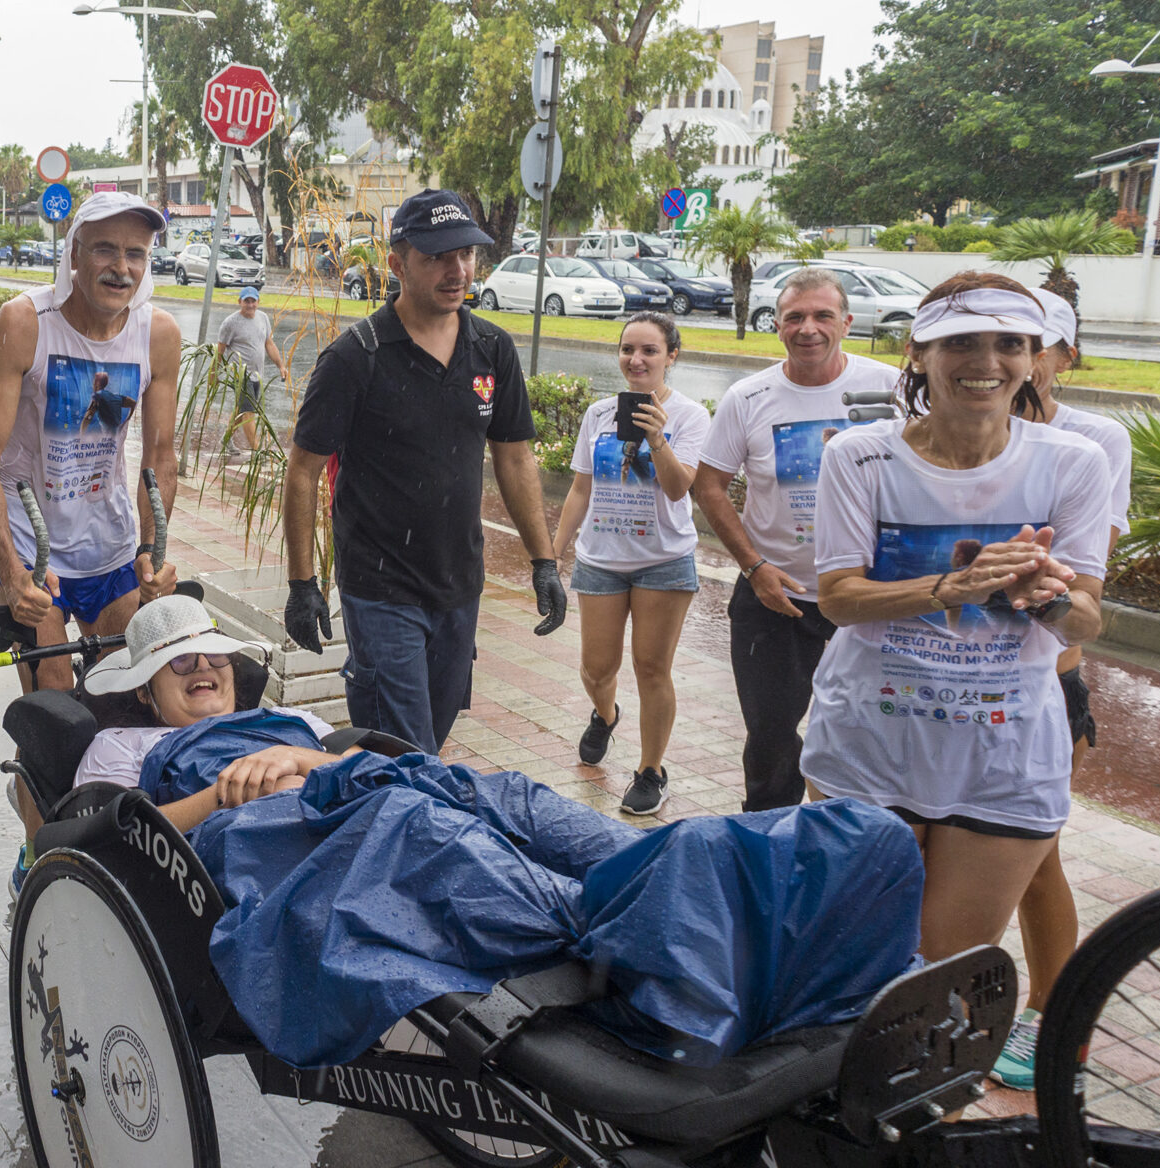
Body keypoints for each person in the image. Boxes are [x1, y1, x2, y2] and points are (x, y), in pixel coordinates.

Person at [70, 595, 923, 1072]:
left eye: (211, 654)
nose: (202, 666)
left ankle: (755, 886)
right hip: (284, 832)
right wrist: (218, 794)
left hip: (358, 781)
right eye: (178, 663)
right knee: (422, 832)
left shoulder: (284, 712)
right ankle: (693, 944)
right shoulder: (126, 744)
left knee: (516, 801)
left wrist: (301, 750)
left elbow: (353, 750)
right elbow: (88, 840)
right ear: (146, 691)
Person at [796, 273, 1110, 1168]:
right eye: (962, 343)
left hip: (997, 749)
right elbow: (839, 597)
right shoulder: (862, 455)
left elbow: (1087, 619)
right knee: (858, 948)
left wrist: (1051, 595)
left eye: (1010, 344)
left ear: (1034, 358)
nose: (986, 363)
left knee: (947, 967)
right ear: (919, 357)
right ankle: (833, 1112)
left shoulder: (1071, 461)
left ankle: (931, 1159)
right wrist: (945, 585)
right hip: (870, 742)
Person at [283, 188, 564, 756]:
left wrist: (544, 562)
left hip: (459, 583)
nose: (457, 269)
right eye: (437, 256)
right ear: (397, 264)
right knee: (404, 755)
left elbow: (513, 457)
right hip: (381, 587)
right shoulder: (354, 358)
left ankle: (379, 829)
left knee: (426, 747)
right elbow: (302, 472)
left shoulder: (492, 349)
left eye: (465, 253)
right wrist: (301, 585)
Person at [987, 287, 1135, 1092]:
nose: (1009, 357)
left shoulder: (1090, 440)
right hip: (948, 690)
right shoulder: (959, 431)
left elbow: (1083, 581)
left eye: (1030, 343)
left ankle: (1053, 1019)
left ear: (1062, 356)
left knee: (1035, 859)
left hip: (1045, 688)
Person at [692, 269, 901, 811]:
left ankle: (854, 844)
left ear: (847, 323)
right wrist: (753, 566)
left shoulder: (893, 388)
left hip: (867, 599)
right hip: (776, 598)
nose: (809, 328)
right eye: (795, 318)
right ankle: (767, 851)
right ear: (778, 326)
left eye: (823, 316)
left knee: (873, 733)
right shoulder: (749, 396)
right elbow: (709, 485)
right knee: (770, 740)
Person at [0, 189, 181, 700]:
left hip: (110, 542)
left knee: (127, 693)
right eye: (105, 248)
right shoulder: (24, 324)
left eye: (136, 253)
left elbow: (160, 457)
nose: (121, 267)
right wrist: (13, 575)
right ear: (73, 253)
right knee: (53, 705)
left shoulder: (158, 335)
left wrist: (153, 550)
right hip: (29, 546)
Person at [550, 313, 709, 816]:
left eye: (649, 351)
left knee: (651, 668)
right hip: (601, 559)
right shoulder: (598, 414)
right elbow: (580, 488)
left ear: (672, 356)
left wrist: (658, 438)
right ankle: (605, 714)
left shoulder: (690, 416)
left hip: (664, 560)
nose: (636, 360)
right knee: (598, 668)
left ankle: (650, 770)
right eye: (627, 350)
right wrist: (550, 552)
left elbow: (681, 487)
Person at [215, 286, 288, 457]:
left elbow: (268, 343)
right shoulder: (230, 323)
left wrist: (281, 366)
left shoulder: (262, 318)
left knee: (242, 410)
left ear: (258, 302)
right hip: (240, 374)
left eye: (253, 301)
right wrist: (214, 374)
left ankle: (226, 439)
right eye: (246, 301)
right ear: (239, 302)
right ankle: (257, 451)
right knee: (249, 413)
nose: (250, 305)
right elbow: (220, 350)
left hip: (257, 374)